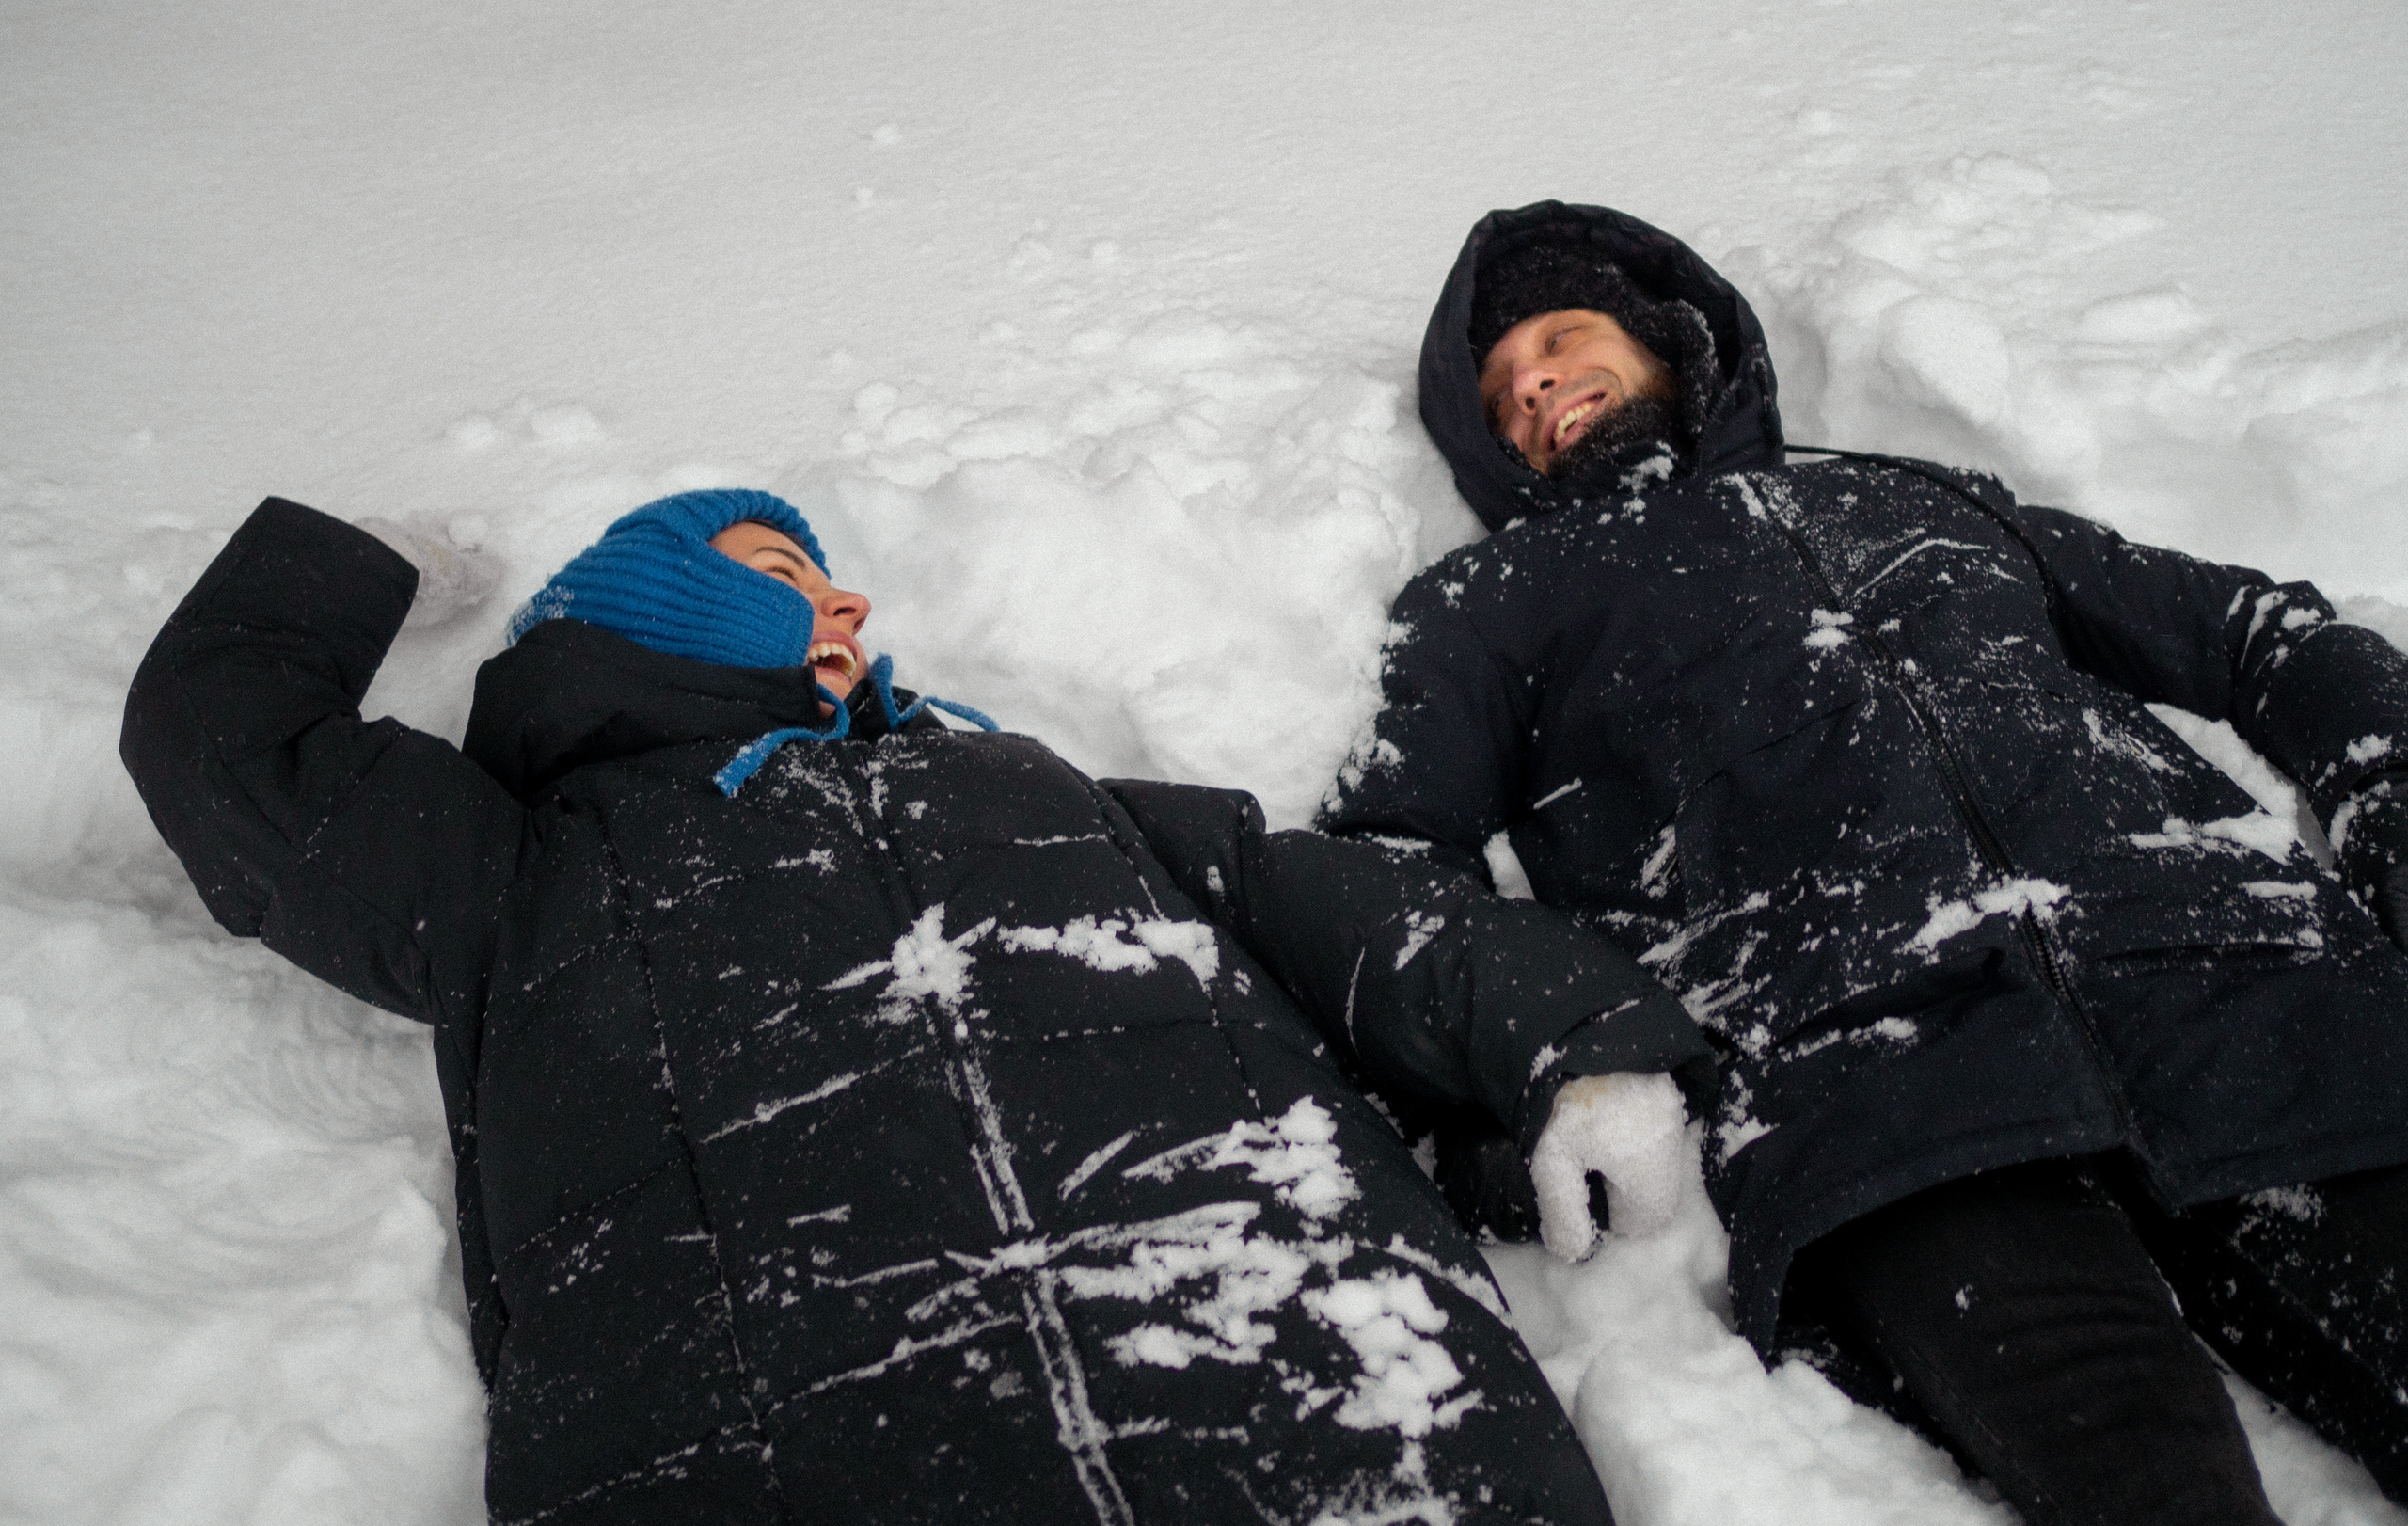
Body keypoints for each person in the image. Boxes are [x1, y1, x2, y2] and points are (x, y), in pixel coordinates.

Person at [119, 485, 1713, 1526]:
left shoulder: (1035, 783)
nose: (851, 606)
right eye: (778, 572)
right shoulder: (524, 858)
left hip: (1312, 1387)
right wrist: (372, 553)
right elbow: (225, 743)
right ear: (645, 606)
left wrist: (1576, 1050)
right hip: (824, 1448)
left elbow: (1336, 907)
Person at [1318, 199, 2408, 1523]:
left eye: (1558, 337)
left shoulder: (1911, 493)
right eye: (1497, 393)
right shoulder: (1488, 604)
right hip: (1875, 1085)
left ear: (1668, 335)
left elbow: (2258, 635)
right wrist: (1546, 1067)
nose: (1531, 384)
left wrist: (2385, 789)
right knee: (2150, 1489)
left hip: (2242, 980)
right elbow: (1381, 869)